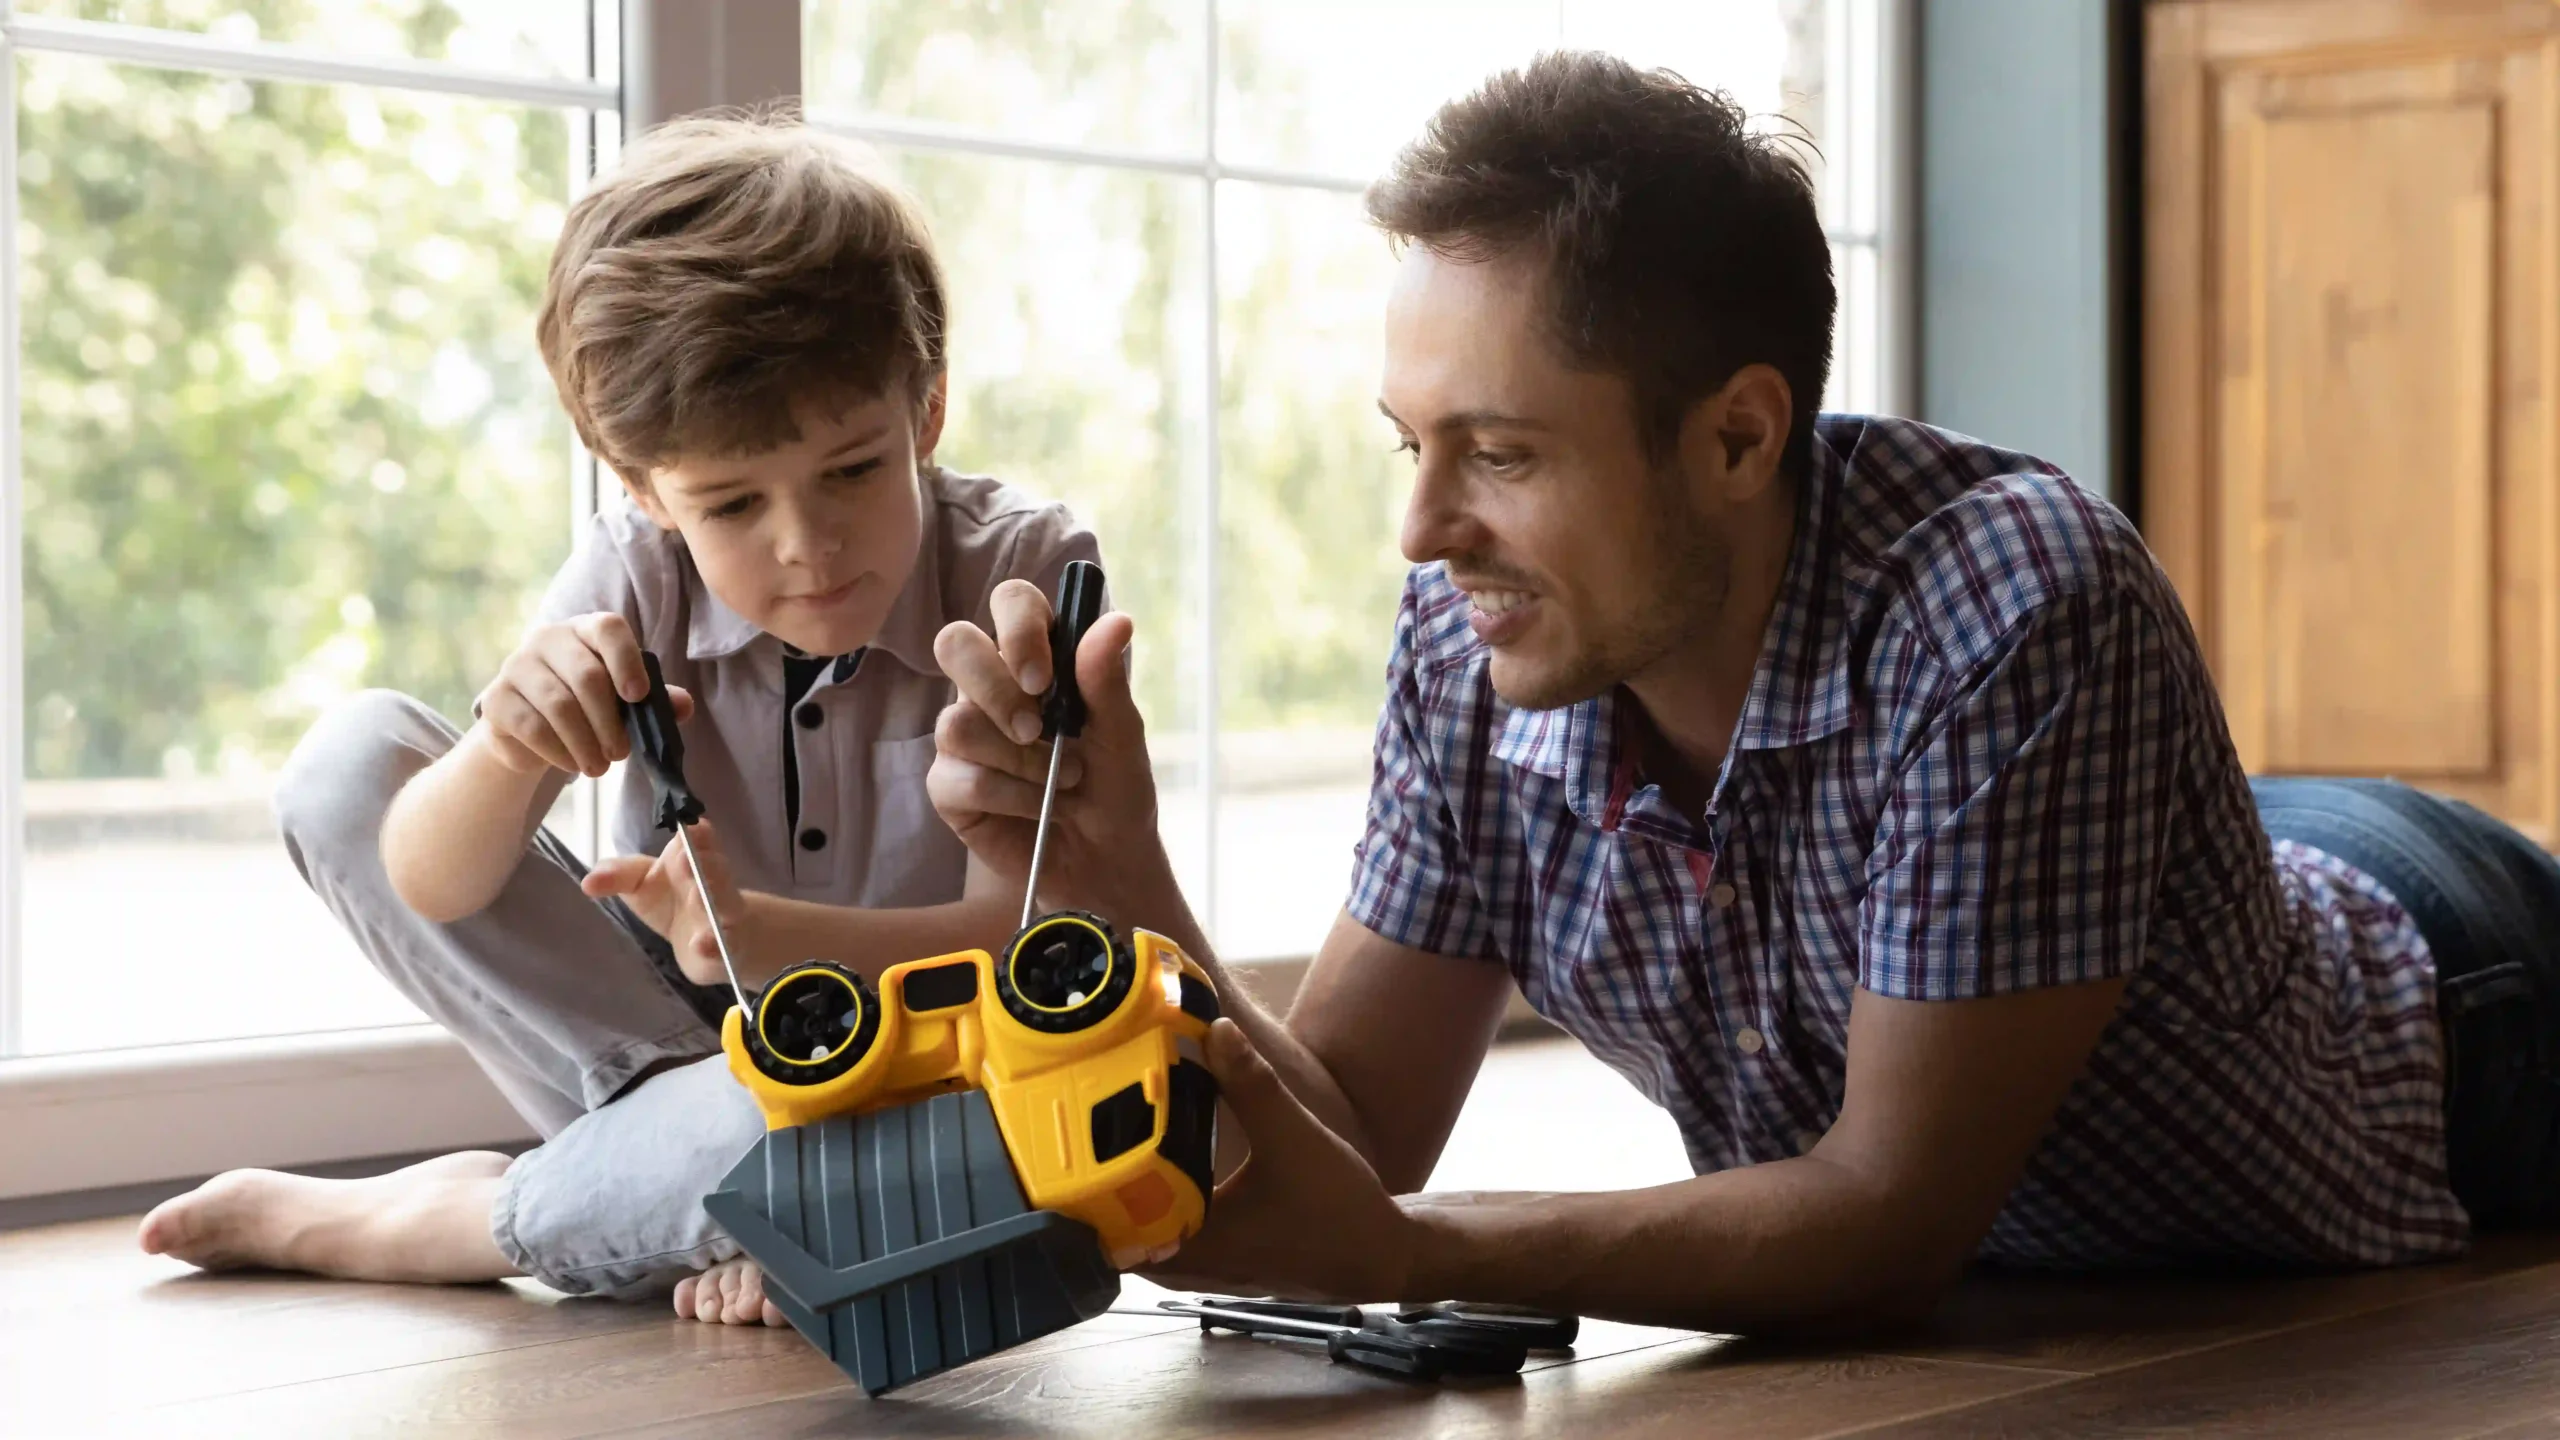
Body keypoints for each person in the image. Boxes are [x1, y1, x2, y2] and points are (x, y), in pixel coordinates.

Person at [928, 51, 2560, 1332]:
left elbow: (1882, 1222)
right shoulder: (1475, 639)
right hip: (2117, 894)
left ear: (1736, 436)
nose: (1421, 531)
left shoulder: (2015, 605)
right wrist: (1116, 877)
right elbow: (1351, 1131)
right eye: (1408, 445)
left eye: (1498, 452)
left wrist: (1409, 1252)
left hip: (2455, 999)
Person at [136, 112, 1100, 1326]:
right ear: (644, 490)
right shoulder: (633, 569)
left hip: (907, 1075)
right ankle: (717, 1187)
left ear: (927, 411)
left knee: (977, 1154)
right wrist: (504, 749)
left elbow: (1034, 952)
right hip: (688, 1063)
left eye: (853, 469)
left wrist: (765, 934)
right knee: (347, 767)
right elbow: (434, 886)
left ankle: (454, 1222)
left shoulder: (1023, 575)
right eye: (732, 502)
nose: (807, 546)